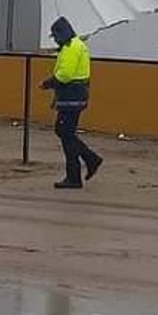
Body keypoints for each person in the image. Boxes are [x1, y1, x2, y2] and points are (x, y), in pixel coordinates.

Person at [40, 16, 102, 189]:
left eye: (56, 36)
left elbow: (65, 75)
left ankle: (86, 164)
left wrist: (49, 83)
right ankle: (81, 168)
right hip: (75, 95)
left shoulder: (70, 47)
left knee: (64, 132)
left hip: (71, 96)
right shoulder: (76, 45)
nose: (56, 40)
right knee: (66, 132)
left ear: (62, 34)